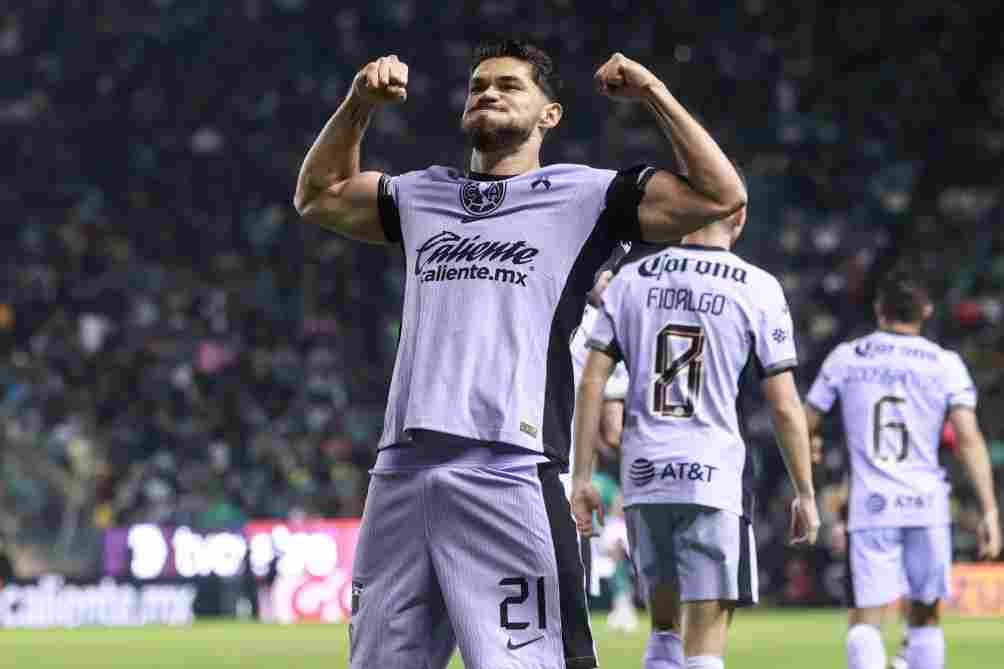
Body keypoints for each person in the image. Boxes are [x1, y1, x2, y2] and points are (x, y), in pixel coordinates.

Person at [293, 38, 746, 669]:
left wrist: (653, 94)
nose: (488, 92)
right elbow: (317, 195)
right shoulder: (424, 194)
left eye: (509, 85)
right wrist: (358, 106)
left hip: (508, 467)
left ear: (550, 116)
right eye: (479, 84)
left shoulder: (586, 197)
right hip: (399, 473)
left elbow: (720, 197)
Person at [571, 208, 820, 669]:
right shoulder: (756, 285)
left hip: (645, 476)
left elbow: (592, 382)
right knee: (705, 640)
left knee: (663, 628)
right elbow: (784, 404)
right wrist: (804, 491)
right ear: (740, 215)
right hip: (713, 476)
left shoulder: (631, 279)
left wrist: (583, 476)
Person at [804, 269, 1002, 669]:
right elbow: (968, 439)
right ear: (926, 310)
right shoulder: (946, 363)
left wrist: (811, 446)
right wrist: (989, 510)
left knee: (865, 618)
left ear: (879, 310)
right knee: (926, 615)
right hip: (926, 505)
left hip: (872, 505)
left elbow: (803, 420)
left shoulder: (847, 357)